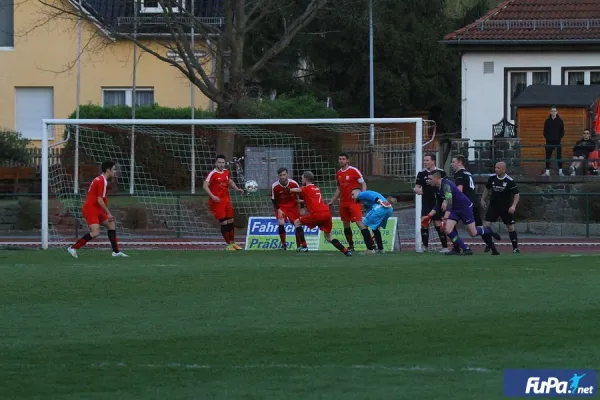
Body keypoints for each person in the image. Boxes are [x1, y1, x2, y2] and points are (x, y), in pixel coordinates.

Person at [424, 171, 500, 256]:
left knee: (473, 233)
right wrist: (429, 216)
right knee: (447, 230)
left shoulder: (446, 186)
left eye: (430, 179)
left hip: (465, 208)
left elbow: (449, 203)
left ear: (437, 178)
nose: (428, 180)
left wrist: (445, 218)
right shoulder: (436, 187)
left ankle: (488, 231)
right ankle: (465, 248)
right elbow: (438, 203)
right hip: (454, 209)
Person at [67, 160, 128, 258]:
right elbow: (99, 200)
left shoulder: (101, 180)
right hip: (91, 209)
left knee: (111, 224)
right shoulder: (102, 181)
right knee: (95, 233)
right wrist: (108, 213)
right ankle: (73, 248)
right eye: (113, 169)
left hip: (97, 209)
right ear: (108, 170)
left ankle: (116, 252)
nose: (115, 171)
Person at [288, 171, 352, 256]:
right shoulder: (316, 188)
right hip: (327, 214)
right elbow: (313, 199)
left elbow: (298, 190)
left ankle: (304, 246)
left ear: (306, 179)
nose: (301, 179)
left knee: (297, 222)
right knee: (328, 237)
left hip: (318, 214)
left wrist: (288, 189)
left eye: (302, 178)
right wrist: (301, 201)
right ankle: (345, 251)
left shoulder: (306, 188)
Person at [450, 155, 499, 255]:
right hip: (474, 202)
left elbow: (459, 191)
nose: (452, 164)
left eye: (453, 162)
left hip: (465, 204)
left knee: (466, 229)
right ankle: (494, 250)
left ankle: (456, 247)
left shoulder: (459, 173)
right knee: (478, 227)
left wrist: (450, 200)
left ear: (460, 163)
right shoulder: (468, 173)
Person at [328, 153, 370, 251]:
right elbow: (339, 189)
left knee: (359, 223)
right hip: (343, 203)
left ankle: (370, 246)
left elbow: (363, 183)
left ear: (347, 160)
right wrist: (332, 201)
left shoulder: (354, 171)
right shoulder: (338, 173)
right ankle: (351, 247)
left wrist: (363, 196)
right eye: (339, 159)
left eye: (343, 159)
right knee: (345, 224)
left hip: (354, 202)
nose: (341, 160)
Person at [202, 154, 245, 251]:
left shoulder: (226, 172)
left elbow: (230, 181)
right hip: (217, 202)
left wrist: (237, 189)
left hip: (227, 200)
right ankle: (228, 244)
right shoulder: (212, 174)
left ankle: (233, 243)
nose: (221, 164)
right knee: (224, 222)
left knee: (231, 221)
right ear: (215, 163)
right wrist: (213, 197)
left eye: (223, 163)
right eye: (219, 162)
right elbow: (205, 186)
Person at [480, 162, 521, 254]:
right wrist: (482, 199)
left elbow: (516, 194)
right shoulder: (492, 178)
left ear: (503, 169)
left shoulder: (509, 181)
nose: (496, 169)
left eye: (498, 168)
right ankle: (489, 243)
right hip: (493, 206)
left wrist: (513, 206)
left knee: (510, 227)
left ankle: (515, 248)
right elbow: (487, 189)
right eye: (495, 167)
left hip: (506, 207)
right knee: (486, 225)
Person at [414, 153, 449, 252]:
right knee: (424, 223)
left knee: (438, 223)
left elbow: (447, 188)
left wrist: (445, 201)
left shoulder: (441, 172)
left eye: (427, 160)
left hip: (438, 202)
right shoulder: (421, 173)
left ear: (433, 161)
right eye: (424, 160)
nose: (425, 162)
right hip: (426, 202)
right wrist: (417, 190)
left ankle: (445, 247)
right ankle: (425, 247)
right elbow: (417, 187)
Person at [351, 188, 393, 254]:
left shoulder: (362, 194)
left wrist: (378, 200)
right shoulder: (366, 201)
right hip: (389, 209)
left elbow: (373, 197)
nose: (352, 197)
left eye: (353, 194)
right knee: (375, 228)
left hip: (381, 207)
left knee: (363, 226)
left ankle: (370, 249)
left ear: (358, 192)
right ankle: (381, 249)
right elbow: (370, 211)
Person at [271, 167, 302, 250]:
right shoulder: (275, 186)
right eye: (280, 175)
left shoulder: (293, 183)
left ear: (287, 175)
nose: (282, 177)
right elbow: (273, 199)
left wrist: (302, 207)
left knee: (297, 224)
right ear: (278, 176)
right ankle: (284, 245)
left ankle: (299, 246)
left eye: (284, 174)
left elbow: (300, 193)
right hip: (281, 207)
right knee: (281, 223)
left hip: (293, 206)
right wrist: (279, 209)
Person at [542, 106, 565, 176]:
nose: (553, 112)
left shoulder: (560, 121)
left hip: (557, 141)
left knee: (559, 156)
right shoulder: (547, 121)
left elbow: (562, 132)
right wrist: (548, 138)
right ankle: (547, 172)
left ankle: (560, 171)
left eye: (555, 111)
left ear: (557, 112)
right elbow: (544, 132)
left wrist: (559, 138)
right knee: (548, 156)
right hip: (549, 141)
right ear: (550, 112)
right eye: (552, 111)